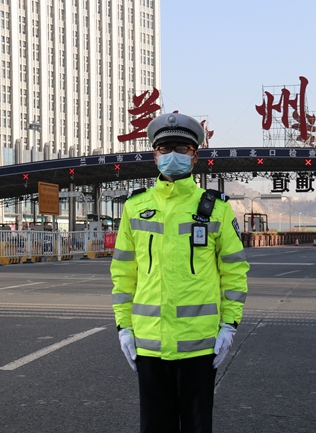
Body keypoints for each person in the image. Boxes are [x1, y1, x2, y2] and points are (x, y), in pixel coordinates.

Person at [110, 112, 250, 433]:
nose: (173, 155)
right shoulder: (135, 207)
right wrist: (124, 327)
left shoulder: (216, 208)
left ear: (194, 156)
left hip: (199, 344)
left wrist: (229, 325)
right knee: (154, 427)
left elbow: (234, 271)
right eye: (165, 148)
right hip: (149, 343)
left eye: (182, 149)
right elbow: (123, 272)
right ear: (155, 155)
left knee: (197, 427)